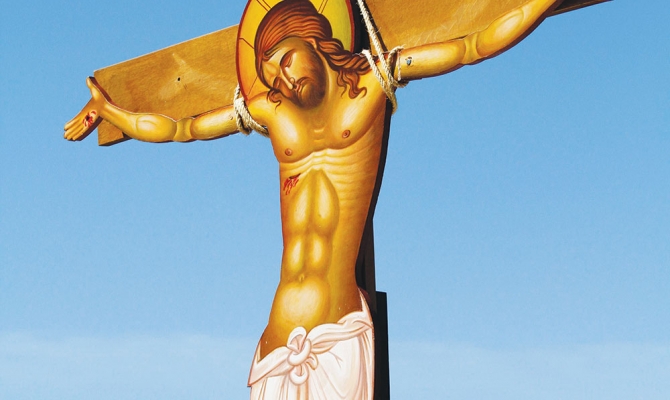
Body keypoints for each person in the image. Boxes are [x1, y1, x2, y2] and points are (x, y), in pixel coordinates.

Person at [64, 0, 562, 398]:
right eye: (271, 75)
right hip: (275, 346)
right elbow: (182, 129)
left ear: (315, 38)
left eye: (286, 60)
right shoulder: (272, 112)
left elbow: (473, 44)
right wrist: (112, 112)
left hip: (338, 332)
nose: (282, 80)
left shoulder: (376, 79)